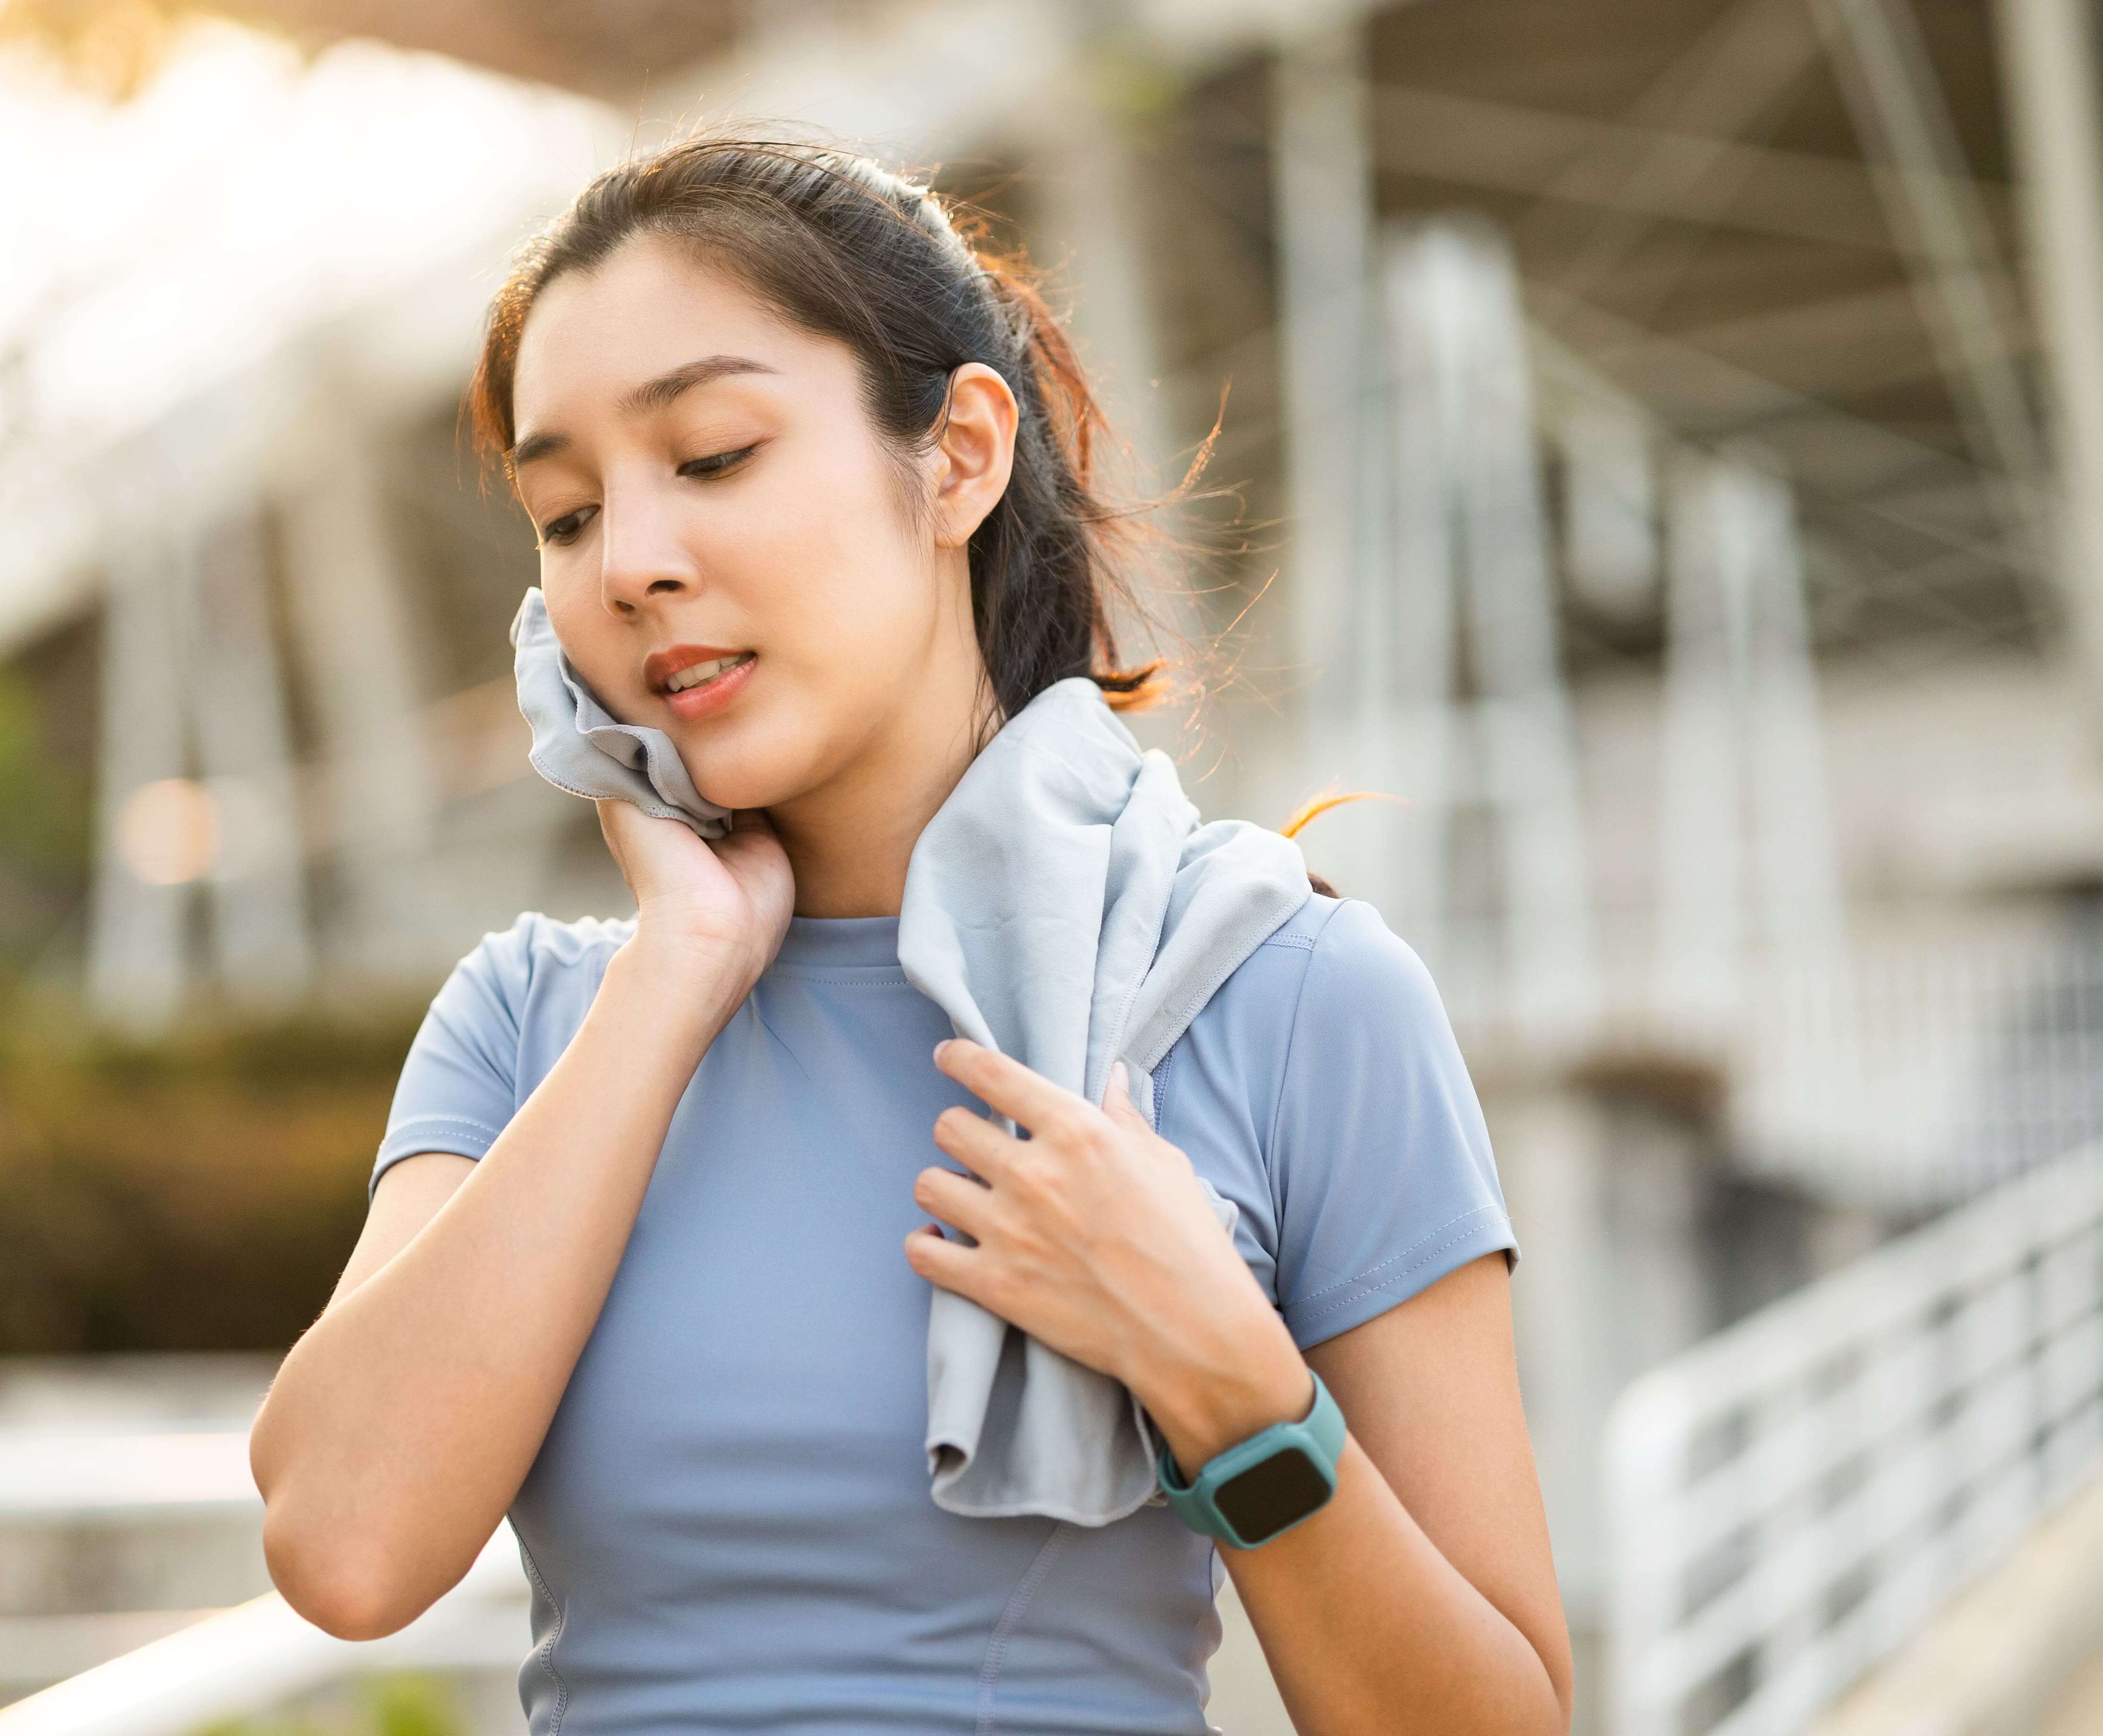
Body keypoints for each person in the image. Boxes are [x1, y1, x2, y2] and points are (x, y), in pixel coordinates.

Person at [249, 137, 1571, 1735]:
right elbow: (346, 1547)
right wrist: (681, 972)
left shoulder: (1273, 991)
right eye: (568, 511)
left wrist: (1236, 1391)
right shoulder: (535, 1019)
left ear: (956, 455)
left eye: (716, 454)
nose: (635, 562)